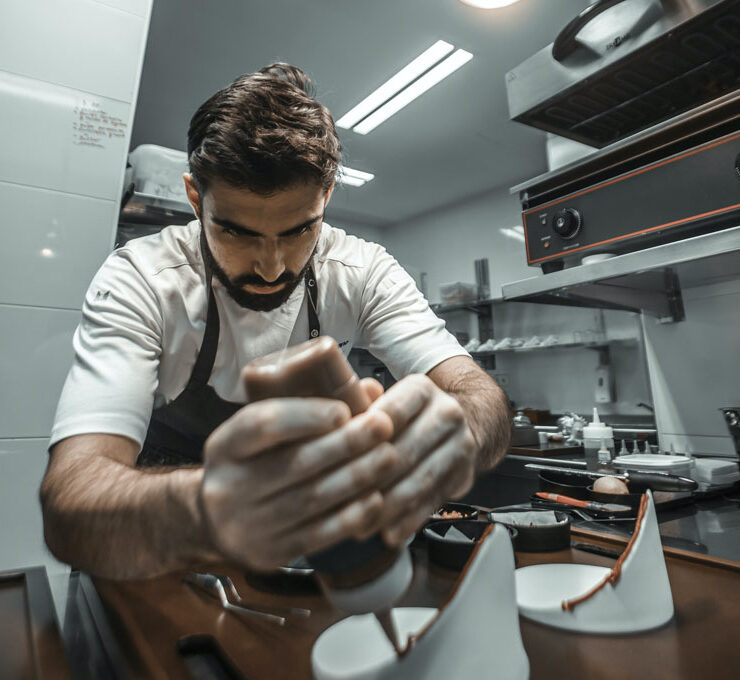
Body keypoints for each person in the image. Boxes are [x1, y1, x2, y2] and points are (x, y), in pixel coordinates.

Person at [40, 64, 510, 579]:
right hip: (153, 557)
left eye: (298, 231)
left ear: (326, 196)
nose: (271, 266)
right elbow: (71, 503)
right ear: (196, 199)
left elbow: (478, 394)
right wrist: (209, 508)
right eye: (237, 232)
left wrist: (447, 438)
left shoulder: (363, 270)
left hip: (294, 561)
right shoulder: (143, 277)